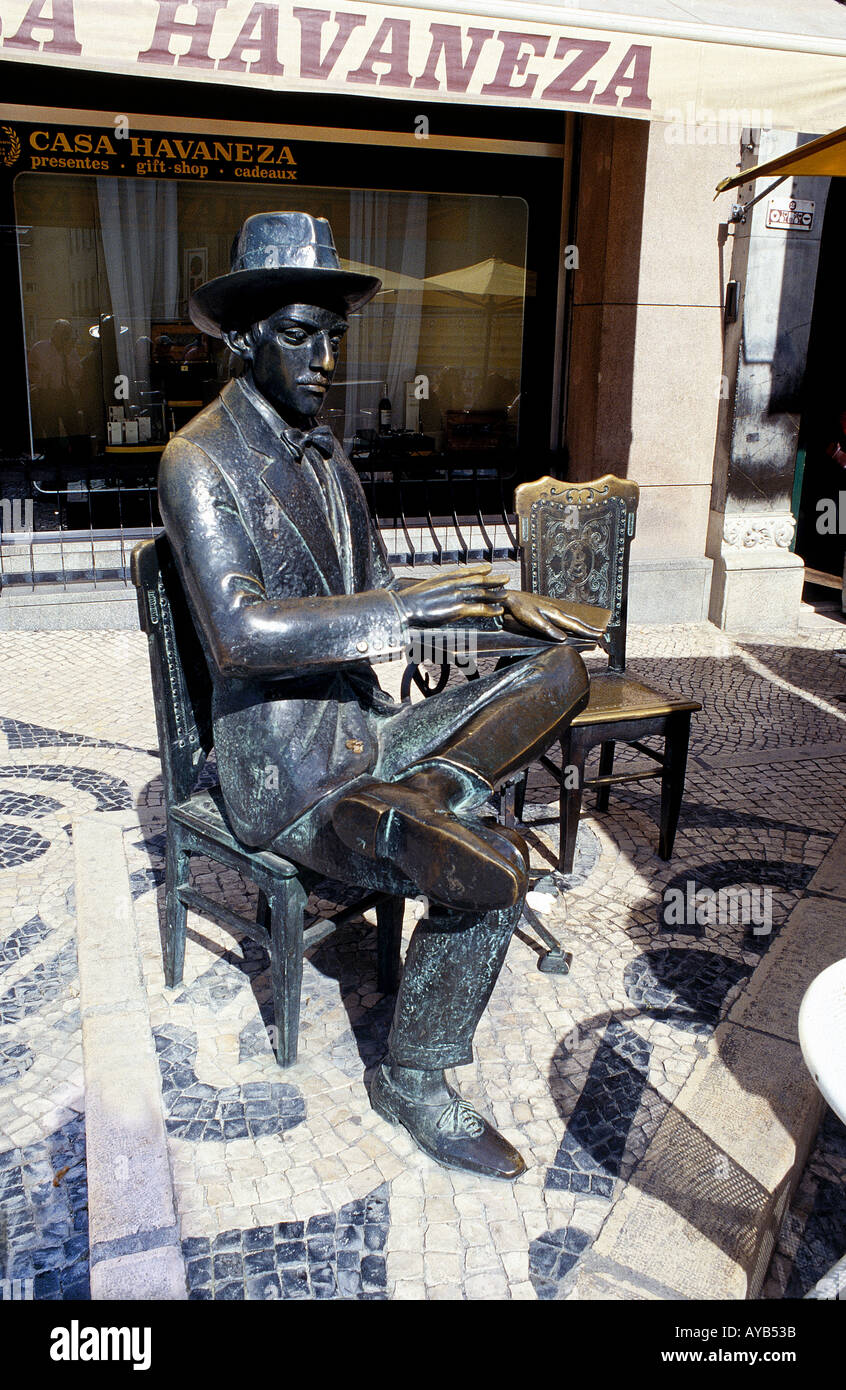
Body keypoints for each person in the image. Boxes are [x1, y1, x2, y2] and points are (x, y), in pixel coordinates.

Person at [158, 212, 608, 1179]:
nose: (323, 357)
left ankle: (432, 791)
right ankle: (415, 1078)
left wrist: (502, 616)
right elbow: (243, 637)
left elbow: (394, 608)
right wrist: (405, 611)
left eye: (332, 336)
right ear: (243, 339)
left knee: (562, 673)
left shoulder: (334, 462)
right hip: (294, 780)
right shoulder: (197, 463)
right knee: (487, 866)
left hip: (374, 736)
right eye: (298, 334)